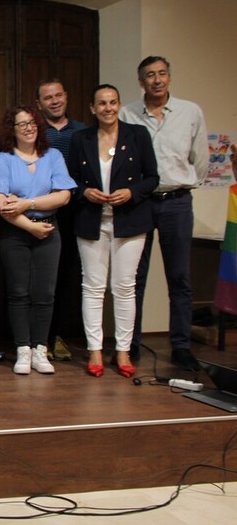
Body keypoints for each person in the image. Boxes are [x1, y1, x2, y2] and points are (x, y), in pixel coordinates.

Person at [120, 56, 209, 370]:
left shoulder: (190, 112)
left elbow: (200, 161)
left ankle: (181, 346)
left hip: (176, 202)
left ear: (169, 77)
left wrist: (181, 186)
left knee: (180, 277)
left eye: (161, 74)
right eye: (149, 75)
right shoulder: (126, 113)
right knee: (134, 277)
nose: (156, 80)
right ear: (141, 81)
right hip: (140, 202)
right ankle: (129, 345)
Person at [70, 85, 158, 378]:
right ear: (92, 109)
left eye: (112, 102)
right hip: (92, 222)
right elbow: (70, 181)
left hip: (130, 222)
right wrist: (86, 193)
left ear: (119, 105)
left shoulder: (138, 135)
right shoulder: (81, 139)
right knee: (93, 288)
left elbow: (152, 178)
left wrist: (131, 193)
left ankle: (123, 350)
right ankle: (94, 349)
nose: (108, 108)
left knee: (124, 288)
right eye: (101, 103)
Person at [0, 105, 75, 375]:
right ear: (12, 130)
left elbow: (63, 196)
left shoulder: (52, 156)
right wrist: (30, 226)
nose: (28, 128)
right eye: (21, 124)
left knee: (45, 294)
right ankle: (23, 350)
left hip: (49, 229)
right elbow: (4, 204)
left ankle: (41, 348)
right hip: (16, 231)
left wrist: (27, 203)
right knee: (18, 293)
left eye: (32, 123)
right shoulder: (5, 158)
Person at [36, 78, 88, 361]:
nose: (54, 101)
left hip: (74, 210)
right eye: (48, 97)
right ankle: (37, 340)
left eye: (58, 95)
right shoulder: (35, 132)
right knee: (42, 279)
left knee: (68, 275)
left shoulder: (81, 131)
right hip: (40, 210)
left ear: (66, 96)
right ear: (39, 104)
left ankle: (58, 336)